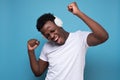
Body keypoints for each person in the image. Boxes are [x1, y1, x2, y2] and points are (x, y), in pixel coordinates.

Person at [27, 2, 109, 80]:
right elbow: (38, 72)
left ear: (58, 24)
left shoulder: (79, 38)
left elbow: (103, 36)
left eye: (52, 31)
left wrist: (78, 13)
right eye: (47, 35)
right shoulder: (47, 47)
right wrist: (31, 51)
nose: (51, 36)